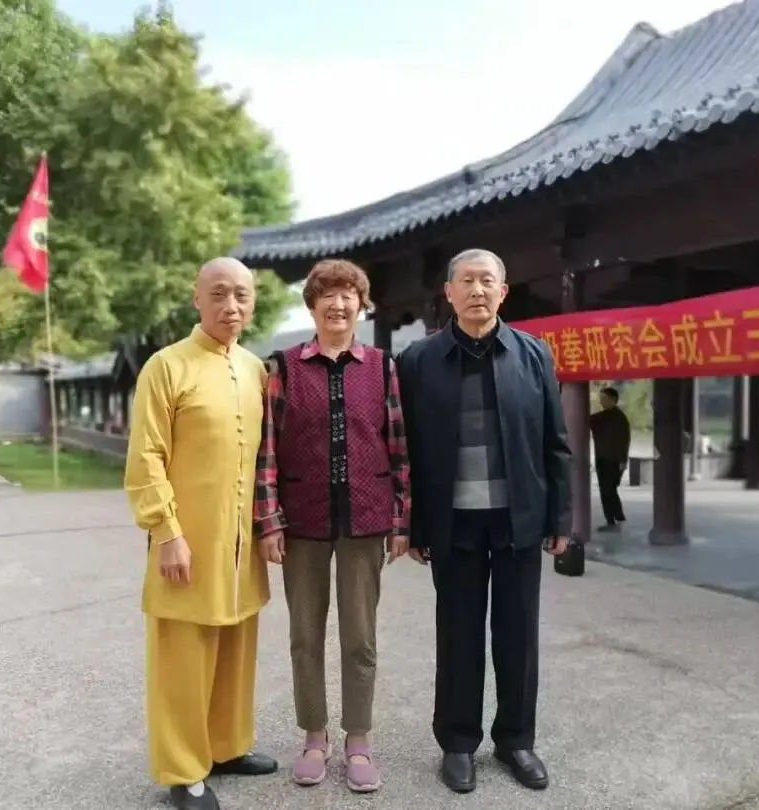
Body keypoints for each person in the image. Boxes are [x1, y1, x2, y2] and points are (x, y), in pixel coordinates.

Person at [396, 248, 573, 794]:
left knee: (518, 634)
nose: (477, 290)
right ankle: (457, 743)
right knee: (459, 634)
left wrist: (560, 516)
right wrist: (414, 525)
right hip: (453, 523)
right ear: (448, 293)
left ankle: (517, 740)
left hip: (519, 518)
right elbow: (405, 450)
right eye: (466, 281)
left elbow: (555, 441)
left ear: (503, 291)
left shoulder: (533, 354)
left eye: (486, 281)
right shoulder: (418, 361)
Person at [124, 257, 277, 810]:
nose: (230, 306)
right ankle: (184, 770)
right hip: (186, 542)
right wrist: (166, 532)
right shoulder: (166, 366)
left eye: (241, 295)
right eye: (218, 293)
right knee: (183, 659)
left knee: (236, 649)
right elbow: (146, 456)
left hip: (240, 544)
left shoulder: (256, 370)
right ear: (197, 298)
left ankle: (227, 747)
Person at [254, 258, 411, 794]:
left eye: (349, 295)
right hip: (302, 519)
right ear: (312, 306)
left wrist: (401, 518)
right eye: (328, 295)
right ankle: (314, 737)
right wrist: (269, 520)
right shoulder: (285, 367)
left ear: (361, 306)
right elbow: (267, 450)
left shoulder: (383, 367)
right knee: (305, 635)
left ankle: (358, 740)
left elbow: (398, 447)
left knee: (360, 637)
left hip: (366, 517)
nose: (339, 304)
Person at [589, 386, 631, 532]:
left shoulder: (620, 418)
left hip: (613, 460)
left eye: (604, 398)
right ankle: (617, 516)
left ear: (613, 399)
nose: (601, 401)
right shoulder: (600, 417)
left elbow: (625, 441)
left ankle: (612, 520)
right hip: (602, 458)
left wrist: (623, 461)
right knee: (608, 490)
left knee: (608, 490)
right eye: (601, 398)